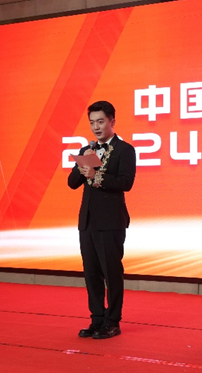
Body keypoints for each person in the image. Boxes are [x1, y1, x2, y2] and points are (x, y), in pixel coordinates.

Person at [68, 101, 136, 339]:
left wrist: (98, 176)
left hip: (111, 221)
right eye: (92, 123)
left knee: (111, 273)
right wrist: (83, 163)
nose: (96, 127)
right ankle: (97, 319)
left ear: (112, 121)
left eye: (100, 121)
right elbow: (72, 183)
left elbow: (126, 182)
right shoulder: (87, 149)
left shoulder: (124, 150)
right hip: (87, 221)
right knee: (91, 273)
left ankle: (112, 321)